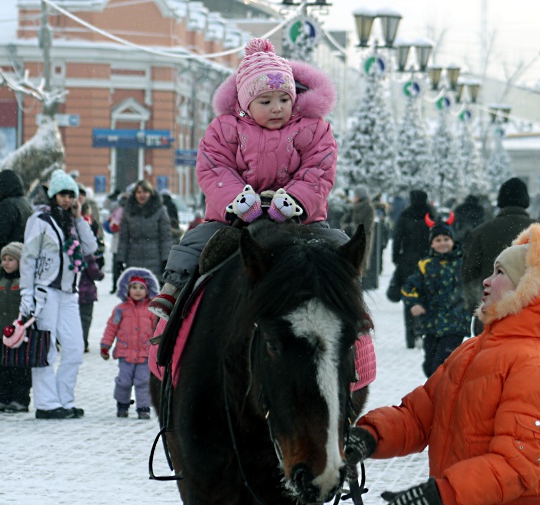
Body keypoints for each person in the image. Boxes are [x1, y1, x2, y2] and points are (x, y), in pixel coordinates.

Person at [345, 223, 540, 505]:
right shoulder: (470, 352)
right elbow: (419, 415)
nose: (487, 281)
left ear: (529, 292)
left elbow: (516, 466)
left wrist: (438, 496)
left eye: (501, 273)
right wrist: (368, 437)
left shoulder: (532, 368)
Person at [149, 37, 340, 318]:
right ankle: (173, 289)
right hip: (234, 216)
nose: (277, 107)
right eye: (266, 101)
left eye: (284, 99)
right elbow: (214, 167)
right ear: (245, 103)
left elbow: (320, 168)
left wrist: (295, 199)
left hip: (300, 217)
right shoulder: (225, 128)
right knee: (196, 241)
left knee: (336, 247)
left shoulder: (314, 128)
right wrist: (237, 199)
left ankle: (348, 306)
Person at [19, 170, 98, 419]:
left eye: (71, 195)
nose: (67, 199)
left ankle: (65, 399)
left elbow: (91, 247)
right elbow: (28, 257)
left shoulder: (72, 222)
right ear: (53, 195)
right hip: (45, 291)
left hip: (68, 293)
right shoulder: (40, 220)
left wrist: (79, 218)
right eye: (63, 194)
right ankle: (46, 403)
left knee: (74, 348)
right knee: (46, 348)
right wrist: (27, 293)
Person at [462, 177, 540, 336]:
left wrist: (473, 309)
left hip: (491, 314)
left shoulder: (480, 233)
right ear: (526, 201)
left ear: (500, 201)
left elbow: (469, 275)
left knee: (492, 359)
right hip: (534, 317)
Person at [401, 217, 469, 378]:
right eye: (438, 240)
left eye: (446, 239)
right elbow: (409, 288)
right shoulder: (426, 264)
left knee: (441, 365)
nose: (442, 243)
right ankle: (440, 394)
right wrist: (414, 303)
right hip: (432, 324)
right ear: (432, 244)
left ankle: (443, 399)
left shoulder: (464, 262)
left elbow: (476, 285)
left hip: (456, 323)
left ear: (453, 240)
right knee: (429, 366)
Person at [100, 267, 158, 419]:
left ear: (148, 290)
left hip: (145, 354)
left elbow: (157, 331)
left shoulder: (152, 310)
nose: (137, 291)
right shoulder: (120, 310)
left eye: (141, 288)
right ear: (127, 289)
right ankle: (122, 404)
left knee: (143, 382)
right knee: (123, 381)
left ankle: (144, 408)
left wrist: (158, 349)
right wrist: (105, 346)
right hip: (125, 353)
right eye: (134, 287)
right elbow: (111, 327)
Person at [0, 242, 32, 413]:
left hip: (20, 336)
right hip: (2, 334)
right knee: (2, 367)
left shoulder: (24, 283)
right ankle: (3, 397)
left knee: (20, 369)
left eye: (11, 259)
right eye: (4, 259)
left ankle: (20, 399)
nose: (6, 263)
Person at [391, 190, 436, 349]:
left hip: (408, 261)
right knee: (428, 295)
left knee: (409, 297)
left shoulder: (405, 215)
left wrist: (396, 258)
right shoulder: (430, 214)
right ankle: (425, 331)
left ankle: (410, 336)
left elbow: (397, 238)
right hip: (428, 260)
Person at [115, 179, 172, 286]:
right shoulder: (128, 211)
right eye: (139, 192)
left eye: (145, 192)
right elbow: (124, 239)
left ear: (150, 193)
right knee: (136, 294)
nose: (142, 195)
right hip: (133, 258)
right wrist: (120, 260)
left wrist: (166, 259)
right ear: (135, 194)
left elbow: (166, 238)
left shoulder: (160, 211)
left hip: (155, 259)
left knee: (152, 294)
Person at [343, 186, 377, 289]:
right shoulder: (354, 207)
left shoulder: (368, 208)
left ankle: (359, 287)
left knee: (359, 264)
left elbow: (366, 226)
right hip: (351, 238)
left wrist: (351, 227)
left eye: (356, 195)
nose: (354, 197)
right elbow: (345, 220)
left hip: (362, 239)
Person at [78, 254, 105, 352]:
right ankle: (83, 342)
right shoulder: (87, 256)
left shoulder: (68, 251)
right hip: (86, 294)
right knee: (85, 319)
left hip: (70, 292)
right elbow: (96, 274)